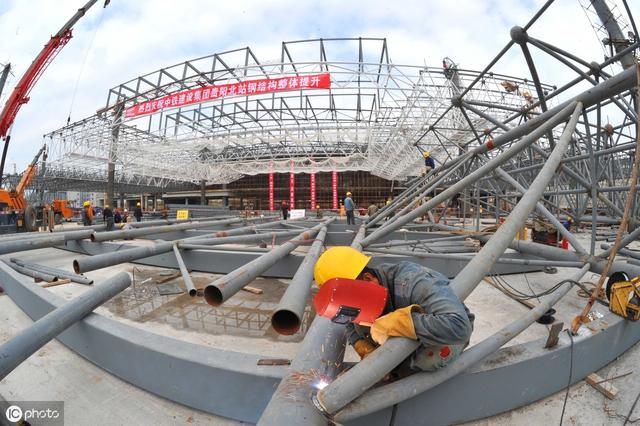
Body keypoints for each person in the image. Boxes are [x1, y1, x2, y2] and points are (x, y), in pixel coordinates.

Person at [314, 246, 474, 373]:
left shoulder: (413, 282)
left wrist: (400, 322)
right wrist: (360, 343)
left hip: (445, 331)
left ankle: (401, 371)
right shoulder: (363, 293)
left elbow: (459, 326)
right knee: (362, 328)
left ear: (368, 279)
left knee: (427, 361)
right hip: (411, 326)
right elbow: (350, 321)